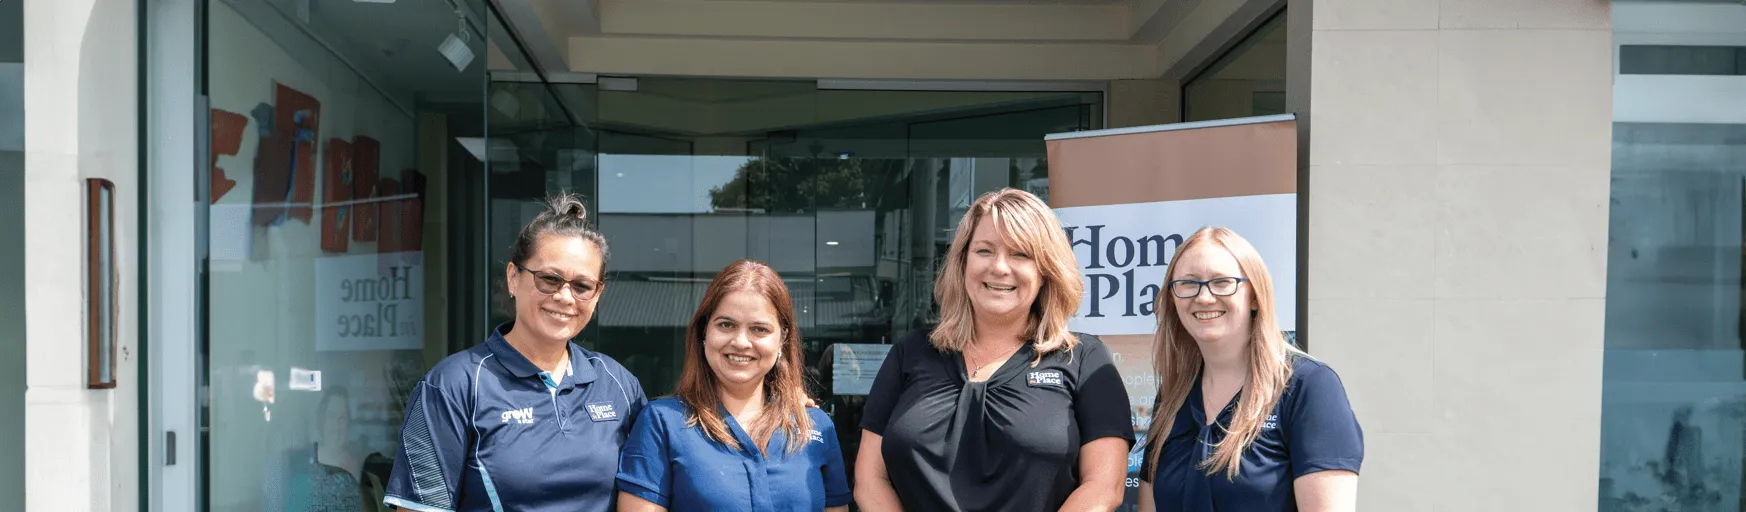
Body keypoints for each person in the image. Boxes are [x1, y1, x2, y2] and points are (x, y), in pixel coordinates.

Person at [854, 188, 1133, 512]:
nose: (1000, 267)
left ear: (1046, 271)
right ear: (963, 262)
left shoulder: (1084, 358)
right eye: (985, 251)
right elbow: (869, 479)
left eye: (1020, 254)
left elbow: (1104, 487)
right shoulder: (911, 352)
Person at [383, 193, 646, 512]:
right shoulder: (452, 386)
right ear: (512, 278)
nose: (565, 297)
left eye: (582, 286)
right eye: (549, 279)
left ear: (597, 294)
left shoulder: (619, 385)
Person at [1137, 227, 1363, 512]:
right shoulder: (1173, 395)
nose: (1204, 297)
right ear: (1172, 298)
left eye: (1222, 282)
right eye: (1187, 283)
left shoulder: (1309, 386)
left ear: (1254, 296)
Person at [616, 260, 852, 512]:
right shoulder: (662, 423)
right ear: (704, 331)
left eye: (759, 329)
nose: (741, 342)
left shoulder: (815, 427)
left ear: (782, 338)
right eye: (726, 325)